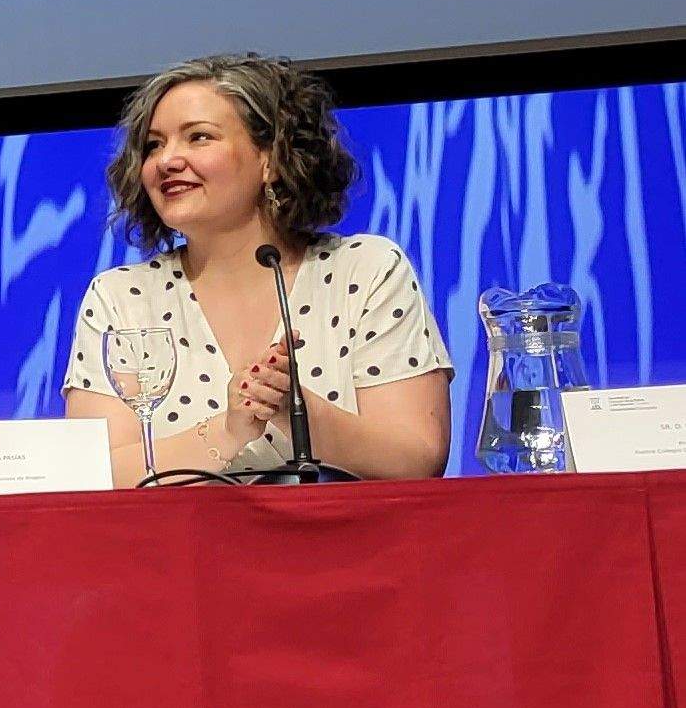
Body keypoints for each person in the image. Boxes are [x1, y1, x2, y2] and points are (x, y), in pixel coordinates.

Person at [63, 53, 452, 482]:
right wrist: (228, 432)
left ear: (272, 158)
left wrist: (296, 412)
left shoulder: (366, 272)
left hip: (347, 543)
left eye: (198, 137)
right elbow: (91, 475)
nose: (167, 160)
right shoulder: (121, 298)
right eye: (154, 145)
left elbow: (417, 459)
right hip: (175, 547)